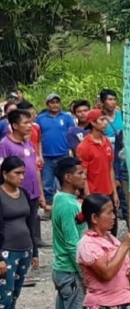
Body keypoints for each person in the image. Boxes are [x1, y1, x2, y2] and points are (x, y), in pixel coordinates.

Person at [76, 194, 130, 309]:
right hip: (104, 304)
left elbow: (119, 265)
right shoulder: (87, 244)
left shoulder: (110, 238)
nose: (114, 216)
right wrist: (124, 246)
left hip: (124, 300)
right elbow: (107, 273)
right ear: (94, 218)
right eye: (109, 213)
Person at [0, 110, 46, 246]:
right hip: (16, 194)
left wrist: (40, 192)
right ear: (15, 125)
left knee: (31, 224)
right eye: (25, 123)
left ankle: (32, 253)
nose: (29, 125)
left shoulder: (28, 143)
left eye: (30, 122)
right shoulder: (4, 145)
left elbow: (35, 168)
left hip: (32, 193)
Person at [0, 156, 38, 308]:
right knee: (4, 296)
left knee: (15, 293)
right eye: (17, 173)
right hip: (6, 251)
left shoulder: (24, 194)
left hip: (25, 250)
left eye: (23, 173)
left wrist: (34, 252)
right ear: (4, 174)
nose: (21, 177)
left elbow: (30, 224)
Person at [51, 157, 88, 309]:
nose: (84, 176)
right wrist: (83, 274)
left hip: (63, 269)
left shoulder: (60, 198)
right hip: (70, 271)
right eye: (80, 173)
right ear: (68, 177)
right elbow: (72, 244)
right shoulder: (68, 205)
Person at [76, 109, 119, 235]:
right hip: (95, 194)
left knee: (112, 229)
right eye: (102, 120)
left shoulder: (106, 142)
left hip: (108, 193)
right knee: (98, 231)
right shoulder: (84, 146)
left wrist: (114, 192)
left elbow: (110, 168)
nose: (105, 123)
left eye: (105, 119)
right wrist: (88, 197)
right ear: (93, 123)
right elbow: (83, 174)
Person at [36, 93, 75, 205]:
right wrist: (40, 155)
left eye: (57, 102)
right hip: (47, 156)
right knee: (47, 184)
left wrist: (71, 151)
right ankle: (49, 206)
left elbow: (72, 134)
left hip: (63, 155)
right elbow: (38, 138)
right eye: (52, 102)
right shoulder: (40, 118)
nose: (55, 105)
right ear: (47, 104)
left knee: (65, 181)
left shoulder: (67, 117)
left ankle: (65, 205)